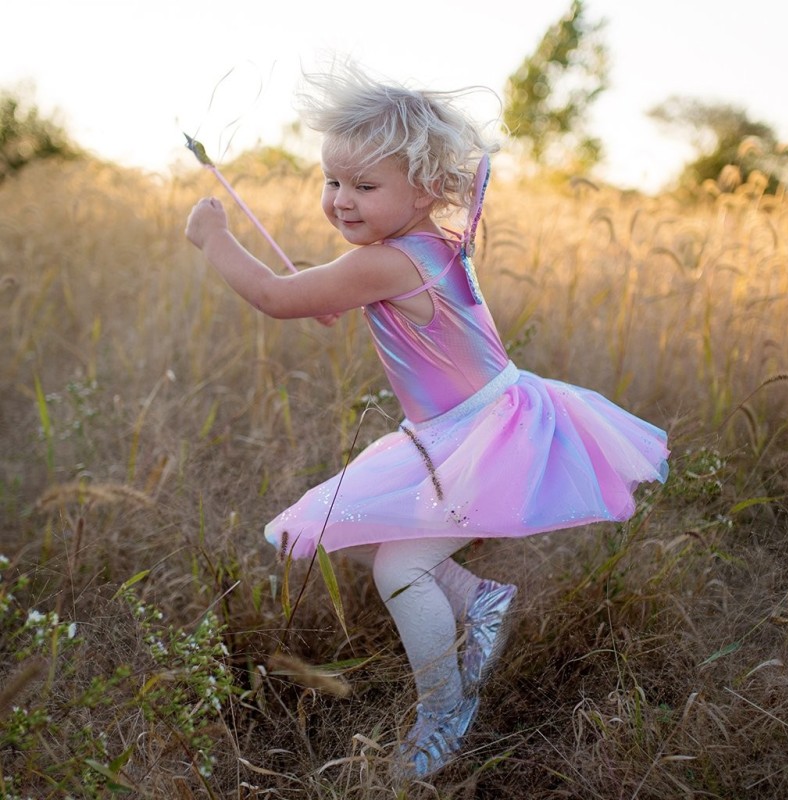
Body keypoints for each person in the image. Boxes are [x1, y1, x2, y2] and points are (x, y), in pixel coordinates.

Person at [185, 62, 669, 781]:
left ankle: (446, 710)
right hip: (469, 425)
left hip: (481, 434)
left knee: (399, 562)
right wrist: (325, 291)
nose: (341, 202)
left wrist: (213, 238)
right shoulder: (424, 245)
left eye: (364, 186)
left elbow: (277, 298)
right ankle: (480, 600)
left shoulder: (384, 262)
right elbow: (333, 294)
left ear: (424, 188)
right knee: (337, 529)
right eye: (333, 182)